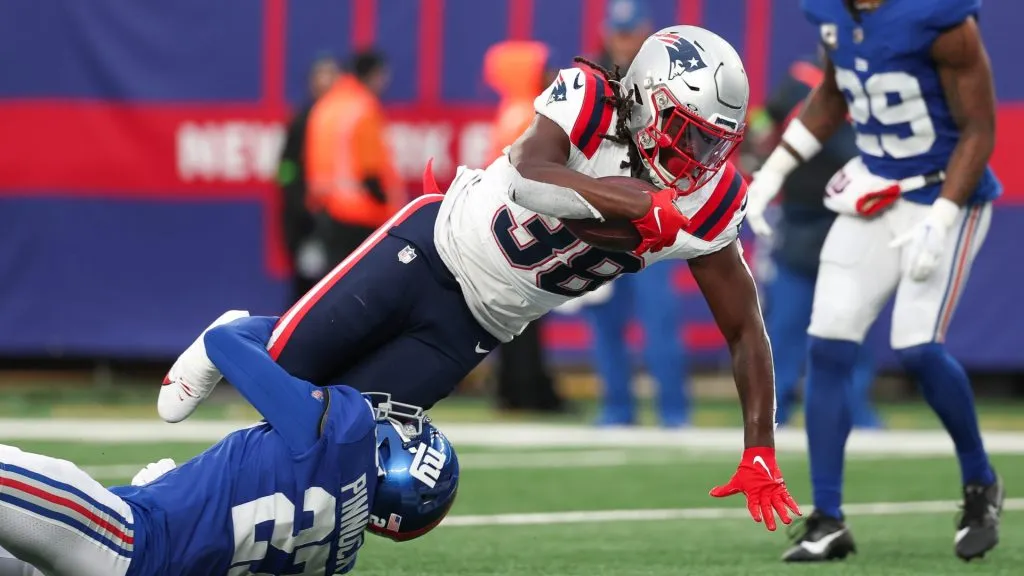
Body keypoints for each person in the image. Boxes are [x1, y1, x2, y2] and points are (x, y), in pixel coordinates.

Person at [162, 25, 801, 532]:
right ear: (643, 96)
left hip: (476, 325)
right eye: (687, 132)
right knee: (285, 366)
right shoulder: (590, 98)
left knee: (333, 444)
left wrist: (759, 447)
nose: (697, 159)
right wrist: (631, 203)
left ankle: (178, 494)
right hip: (431, 249)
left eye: (712, 143)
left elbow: (745, 329)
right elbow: (527, 177)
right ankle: (236, 335)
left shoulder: (709, 200)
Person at [746, 0, 1003, 562]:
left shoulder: (941, 18)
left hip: (944, 192)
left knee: (917, 347)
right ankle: (828, 518)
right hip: (874, 186)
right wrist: (774, 171)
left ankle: (980, 483)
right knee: (828, 344)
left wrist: (942, 217)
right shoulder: (833, 14)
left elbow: (980, 129)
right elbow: (832, 96)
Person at [4, 315, 459, 575]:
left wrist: (308, 324)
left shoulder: (345, 435)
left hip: (125, 540)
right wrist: (169, 494)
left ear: (396, 454)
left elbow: (226, 340)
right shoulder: (337, 560)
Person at [752, 51, 880, 428]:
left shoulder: (870, 86)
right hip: (800, 218)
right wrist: (758, 138)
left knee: (851, 320)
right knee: (786, 323)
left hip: (850, 217)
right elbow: (763, 118)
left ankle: (853, 410)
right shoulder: (800, 81)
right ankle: (775, 411)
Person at [585, 0, 690, 427]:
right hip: (604, 216)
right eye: (618, 32)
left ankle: (674, 412)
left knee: (659, 318)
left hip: (653, 216)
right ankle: (617, 408)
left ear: (645, 31)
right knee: (605, 320)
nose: (623, 41)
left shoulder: (666, 78)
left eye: (630, 33)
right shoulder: (591, 80)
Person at [482, 40, 566, 414]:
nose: (550, 75)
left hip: (506, 221)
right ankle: (528, 390)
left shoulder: (509, 111)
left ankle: (515, 389)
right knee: (527, 313)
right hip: (524, 223)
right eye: (543, 68)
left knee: (515, 313)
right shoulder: (527, 115)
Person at [306, 49, 403, 268]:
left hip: (327, 211)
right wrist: (388, 206)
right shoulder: (362, 108)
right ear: (373, 74)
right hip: (361, 213)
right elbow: (371, 170)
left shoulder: (326, 106)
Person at [279, 55, 340, 301]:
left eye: (331, 76)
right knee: (306, 289)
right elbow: (285, 168)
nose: (325, 82)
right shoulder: (302, 122)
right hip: (305, 223)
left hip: (337, 221)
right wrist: (298, 203)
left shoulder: (345, 122)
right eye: (320, 76)